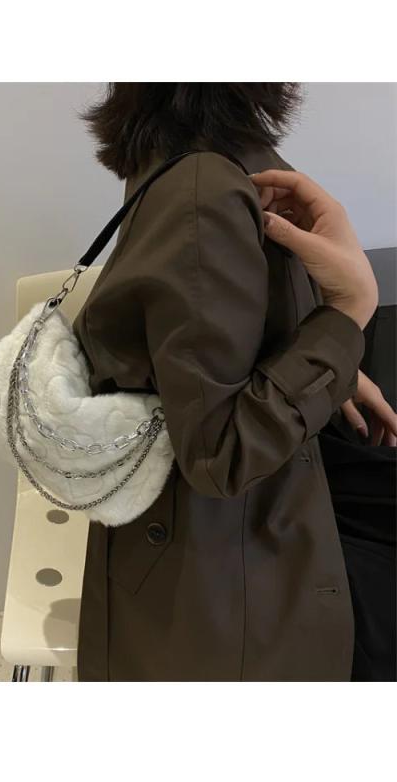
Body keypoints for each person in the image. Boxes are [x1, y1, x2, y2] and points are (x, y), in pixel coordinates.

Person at [71, 82, 396, 681]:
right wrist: (349, 314)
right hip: (225, 541)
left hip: (250, 500)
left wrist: (341, 370)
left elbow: (225, 337)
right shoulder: (205, 191)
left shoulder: (184, 149)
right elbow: (220, 454)